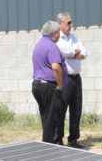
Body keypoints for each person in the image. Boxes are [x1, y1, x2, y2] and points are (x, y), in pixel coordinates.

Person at [54, 13, 87, 148]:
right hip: (65, 78)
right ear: (60, 24)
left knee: (76, 110)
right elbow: (65, 51)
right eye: (68, 23)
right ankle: (57, 139)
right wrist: (74, 53)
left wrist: (75, 54)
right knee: (61, 109)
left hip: (76, 78)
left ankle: (73, 139)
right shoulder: (57, 39)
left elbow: (84, 52)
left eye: (71, 22)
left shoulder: (73, 37)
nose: (71, 25)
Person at [32, 21, 67, 143]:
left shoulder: (38, 45)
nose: (59, 35)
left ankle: (46, 145)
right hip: (49, 87)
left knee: (46, 117)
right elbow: (56, 67)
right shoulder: (51, 46)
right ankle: (47, 148)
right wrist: (61, 85)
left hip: (38, 85)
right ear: (55, 33)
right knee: (51, 119)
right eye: (59, 33)